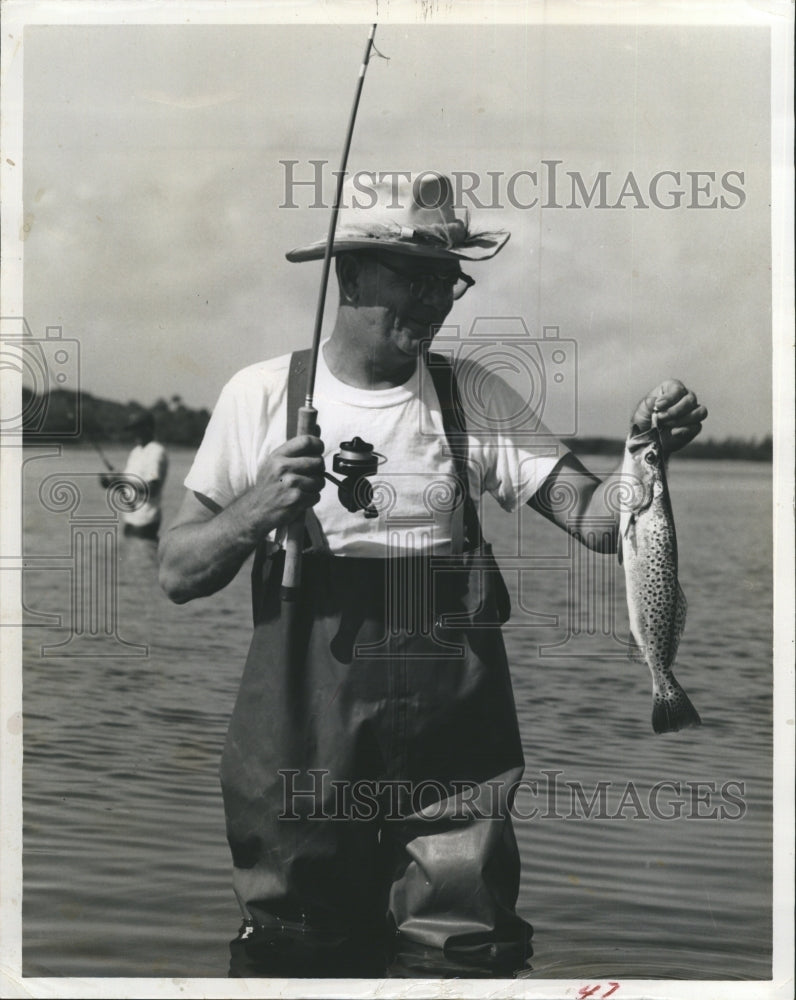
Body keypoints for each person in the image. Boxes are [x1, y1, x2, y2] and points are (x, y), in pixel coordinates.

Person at [157, 173, 707, 979]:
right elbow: (176, 570)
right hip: (303, 748)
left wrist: (644, 455)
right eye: (415, 279)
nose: (436, 300)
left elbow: (594, 518)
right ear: (350, 275)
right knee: (297, 949)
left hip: (455, 750)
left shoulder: (471, 397)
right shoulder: (264, 396)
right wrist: (257, 506)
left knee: (466, 950)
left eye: (448, 281)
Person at [101, 411, 168, 540]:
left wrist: (121, 479)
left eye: (136, 429)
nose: (133, 433)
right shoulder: (135, 452)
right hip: (130, 521)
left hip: (146, 522)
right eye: (131, 429)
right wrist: (111, 483)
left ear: (148, 428)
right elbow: (128, 486)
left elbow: (152, 489)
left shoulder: (156, 452)